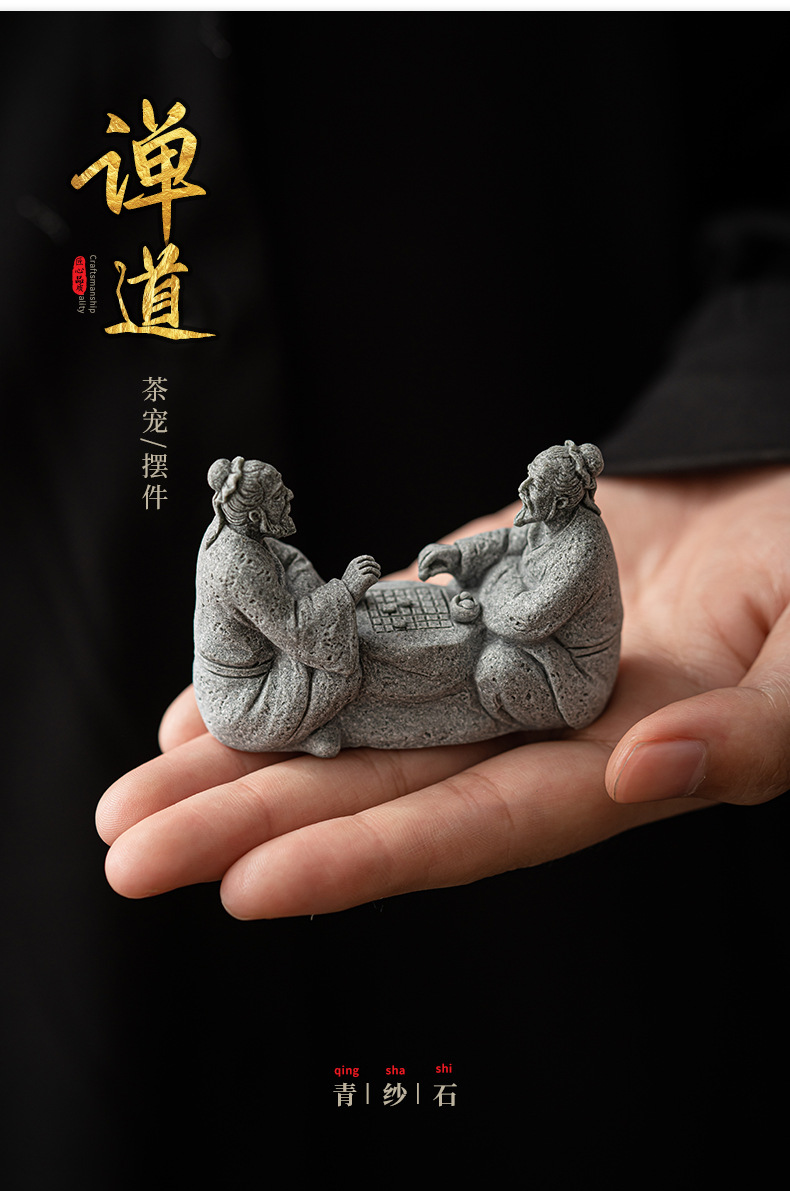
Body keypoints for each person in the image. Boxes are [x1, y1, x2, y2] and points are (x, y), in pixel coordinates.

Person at [418, 440, 622, 733]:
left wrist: (498, 579)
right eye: (528, 475)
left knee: (498, 666)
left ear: (562, 502)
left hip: (571, 673)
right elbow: (508, 542)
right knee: (474, 580)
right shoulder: (548, 518)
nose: (522, 487)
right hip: (522, 627)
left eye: (535, 484)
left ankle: (483, 710)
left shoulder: (583, 549)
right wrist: (459, 555)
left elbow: (527, 620)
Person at [193, 456, 381, 757]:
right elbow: (295, 629)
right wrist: (345, 590)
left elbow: (292, 561)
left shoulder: (236, 531)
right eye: (279, 496)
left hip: (244, 670)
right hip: (244, 702)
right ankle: (295, 736)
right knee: (343, 674)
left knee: (339, 643)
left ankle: (300, 731)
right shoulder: (240, 564)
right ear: (256, 515)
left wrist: (320, 602)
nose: (289, 496)